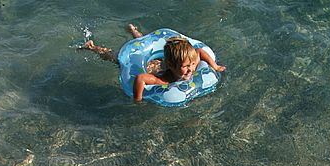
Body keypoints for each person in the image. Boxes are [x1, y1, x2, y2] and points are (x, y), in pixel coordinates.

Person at [81, 24, 225, 102]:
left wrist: (215, 66)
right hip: (150, 66)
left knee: (143, 41)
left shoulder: (190, 62)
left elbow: (199, 51)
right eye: (186, 66)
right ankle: (92, 47)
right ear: (171, 66)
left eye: (192, 65)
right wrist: (138, 99)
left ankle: (134, 30)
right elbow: (140, 78)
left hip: (162, 61)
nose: (191, 69)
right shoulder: (164, 78)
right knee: (117, 59)